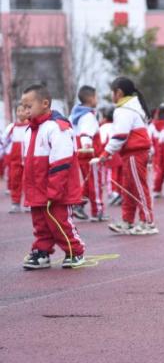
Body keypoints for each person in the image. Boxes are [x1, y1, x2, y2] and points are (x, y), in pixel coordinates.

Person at [20, 84, 85, 269]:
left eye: (28, 106)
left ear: (45, 103)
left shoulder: (57, 128)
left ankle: (75, 251)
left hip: (56, 191)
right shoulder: (30, 130)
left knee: (60, 222)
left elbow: (62, 162)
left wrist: (54, 191)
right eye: (23, 106)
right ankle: (42, 252)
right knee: (40, 224)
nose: (25, 110)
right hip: (37, 191)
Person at [96, 77, 156, 236]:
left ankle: (147, 222)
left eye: (112, 92)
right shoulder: (132, 107)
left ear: (119, 92)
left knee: (138, 187)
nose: (111, 95)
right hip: (131, 153)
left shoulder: (124, 110)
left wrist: (105, 153)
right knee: (128, 188)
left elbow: (120, 135)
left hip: (134, 153)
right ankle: (127, 220)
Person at [70, 86, 106, 221]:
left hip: (83, 154)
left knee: (89, 181)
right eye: (96, 97)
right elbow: (86, 134)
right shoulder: (88, 116)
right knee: (95, 183)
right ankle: (98, 211)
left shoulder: (77, 115)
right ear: (91, 99)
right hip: (90, 155)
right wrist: (87, 146)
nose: (97, 100)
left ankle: (78, 205)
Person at [5, 104, 29, 213]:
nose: (20, 113)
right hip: (15, 160)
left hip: (28, 159)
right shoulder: (12, 127)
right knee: (15, 181)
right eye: (18, 111)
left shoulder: (31, 126)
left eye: (22, 110)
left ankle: (29, 203)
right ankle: (15, 203)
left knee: (28, 181)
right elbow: (4, 140)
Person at [99, 107, 122, 206]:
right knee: (120, 175)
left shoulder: (103, 128)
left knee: (111, 175)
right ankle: (120, 193)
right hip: (119, 153)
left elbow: (102, 142)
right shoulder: (118, 126)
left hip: (109, 154)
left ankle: (112, 194)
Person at [150, 103, 164, 199]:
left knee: (159, 172)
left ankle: (157, 190)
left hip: (157, 151)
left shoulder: (153, 125)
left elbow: (149, 138)